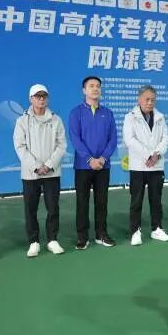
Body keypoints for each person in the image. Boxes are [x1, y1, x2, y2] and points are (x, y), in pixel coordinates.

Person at [14, 84, 67, 257]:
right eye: (38, 96)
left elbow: (61, 145)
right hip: (31, 174)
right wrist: (36, 166)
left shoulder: (56, 120)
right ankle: (34, 242)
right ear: (31, 99)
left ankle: (52, 240)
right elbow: (20, 146)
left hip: (52, 172)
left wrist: (49, 165)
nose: (41, 99)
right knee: (31, 209)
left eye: (44, 96)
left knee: (53, 208)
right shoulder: (22, 121)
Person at [69, 76, 117, 249]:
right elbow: (75, 139)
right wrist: (89, 159)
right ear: (84, 90)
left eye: (98, 86)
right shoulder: (76, 113)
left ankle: (101, 234)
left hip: (103, 166)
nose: (95, 89)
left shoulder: (108, 113)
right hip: (83, 166)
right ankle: (82, 237)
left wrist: (102, 159)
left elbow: (113, 139)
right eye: (91, 86)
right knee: (82, 202)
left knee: (102, 202)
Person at [122, 85, 168, 246]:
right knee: (136, 200)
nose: (150, 103)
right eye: (147, 99)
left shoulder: (160, 117)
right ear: (139, 99)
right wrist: (148, 154)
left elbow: (166, 139)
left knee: (156, 200)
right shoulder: (130, 117)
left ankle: (157, 228)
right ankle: (135, 231)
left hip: (156, 166)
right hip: (138, 165)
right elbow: (129, 140)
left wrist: (157, 154)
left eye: (153, 100)